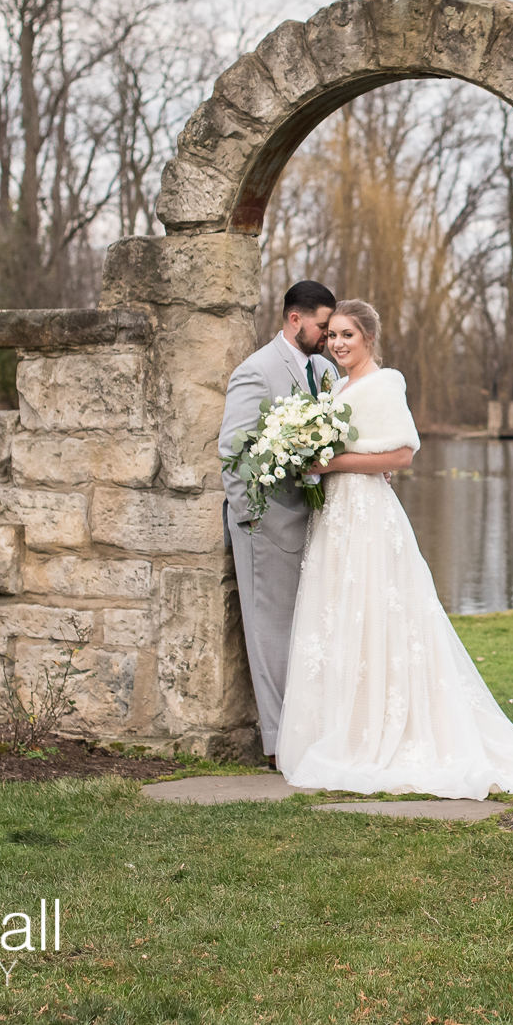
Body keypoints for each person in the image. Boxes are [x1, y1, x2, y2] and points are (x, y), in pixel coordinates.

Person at [277, 300, 513, 798]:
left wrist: (332, 462)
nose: (338, 344)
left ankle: (391, 732)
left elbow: (402, 453)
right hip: (336, 514)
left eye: (348, 336)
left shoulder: (385, 383)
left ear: (369, 339)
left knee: (380, 614)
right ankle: (344, 727)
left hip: (367, 515)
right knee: (341, 615)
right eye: (333, 335)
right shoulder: (336, 387)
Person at [219, 280, 339, 760]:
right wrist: (253, 522)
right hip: (266, 525)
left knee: (309, 629)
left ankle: (311, 732)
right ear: (295, 320)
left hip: (313, 520)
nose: (328, 337)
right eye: (323, 327)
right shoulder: (256, 372)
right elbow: (233, 452)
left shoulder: (327, 371)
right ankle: (277, 746)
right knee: (270, 634)